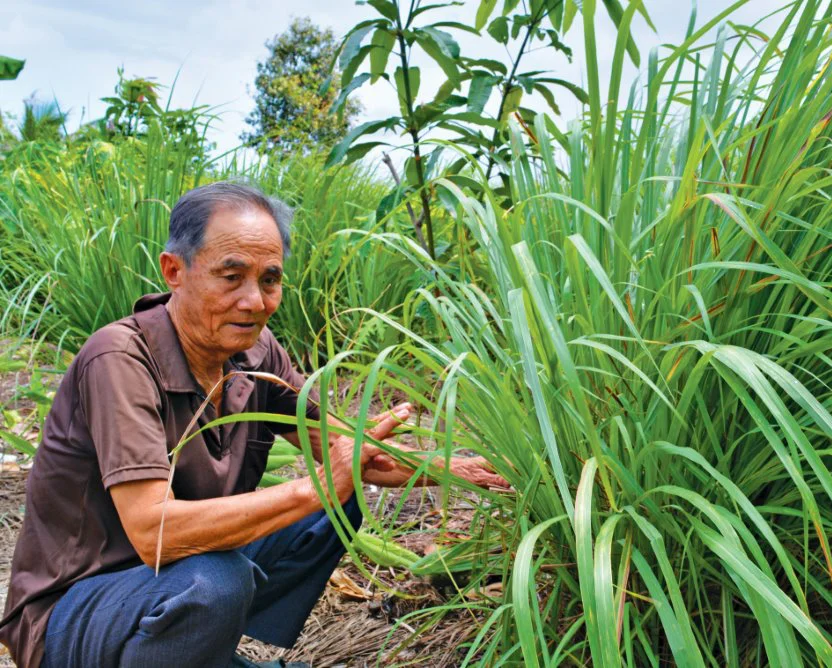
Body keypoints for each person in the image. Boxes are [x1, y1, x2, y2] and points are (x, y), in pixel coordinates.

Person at [0, 182, 508, 668]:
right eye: (231, 276)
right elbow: (155, 533)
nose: (255, 301)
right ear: (174, 271)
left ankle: (196, 652)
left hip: (172, 581)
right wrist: (317, 487)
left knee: (333, 506)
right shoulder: (119, 359)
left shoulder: (255, 353)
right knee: (215, 580)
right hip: (71, 617)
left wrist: (461, 471)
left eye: (269, 279)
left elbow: (346, 449)